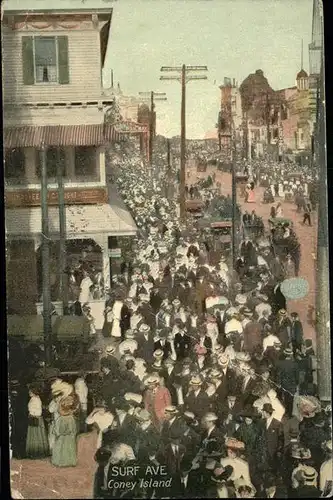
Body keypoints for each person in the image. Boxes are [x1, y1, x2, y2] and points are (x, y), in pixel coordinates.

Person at [51, 394, 78, 467]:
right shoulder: (63, 401)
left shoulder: (68, 400)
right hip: (66, 420)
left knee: (64, 442)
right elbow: (61, 411)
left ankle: (64, 461)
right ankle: (65, 461)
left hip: (66, 420)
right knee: (65, 442)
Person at [26, 384, 49, 459]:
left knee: (36, 436)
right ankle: (35, 453)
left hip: (35, 418)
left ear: (33, 391)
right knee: (36, 436)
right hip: (34, 417)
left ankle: (36, 453)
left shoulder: (35, 399)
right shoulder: (34, 398)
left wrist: (32, 413)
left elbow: (38, 411)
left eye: (30, 391)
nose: (29, 392)